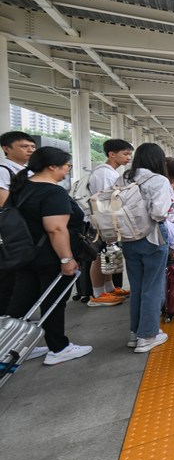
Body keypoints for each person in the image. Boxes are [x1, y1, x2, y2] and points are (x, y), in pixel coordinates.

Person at [6, 147, 92, 365]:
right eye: (66, 166)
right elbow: (56, 229)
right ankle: (58, 347)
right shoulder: (52, 192)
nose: (67, 170)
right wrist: (66, 259)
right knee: (54, 302)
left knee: (21, 302)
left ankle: (11, 345)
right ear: (52, 166)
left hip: (25, 253)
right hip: (50, 256)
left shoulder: (21, 187)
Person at [118, 143, 172, 353]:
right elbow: (159, 213)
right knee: (153, 286)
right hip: (152, 236)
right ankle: (148, 335)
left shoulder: (124, 177)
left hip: (128, 238)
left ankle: (135, 332)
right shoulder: (158, 180)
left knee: (138, 286)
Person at [86, 138, 133, 307]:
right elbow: (106, 200)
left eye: (130, 154)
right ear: (112, 154)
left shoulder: (109, 172)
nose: (128, 157)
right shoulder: (105, 173)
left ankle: (109, 288)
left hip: (105, 220)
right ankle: (98, 294)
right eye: (125, 154)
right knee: (99, 257)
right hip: (102, 222)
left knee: (108, 255)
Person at [0, 130, 36, 315]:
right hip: (11, 235)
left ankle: (18, 322)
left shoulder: (25, 170)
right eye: (24, 146)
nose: (30, 150)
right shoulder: (2, 170)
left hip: (24, 232)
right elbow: (5, 202)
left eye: (32, 146)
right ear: (6, 149)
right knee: (8, 283)